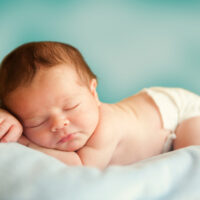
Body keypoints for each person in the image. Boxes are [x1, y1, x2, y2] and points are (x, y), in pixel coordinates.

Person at [0, 41, 200, 170]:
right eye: (37, 122)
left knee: (192, 158)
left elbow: (81, 166)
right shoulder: (73, 129)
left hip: (178, 113)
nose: (60, 124)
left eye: (71, 106)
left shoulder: (106, 126)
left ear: (93, 92)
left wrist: (23, 141)